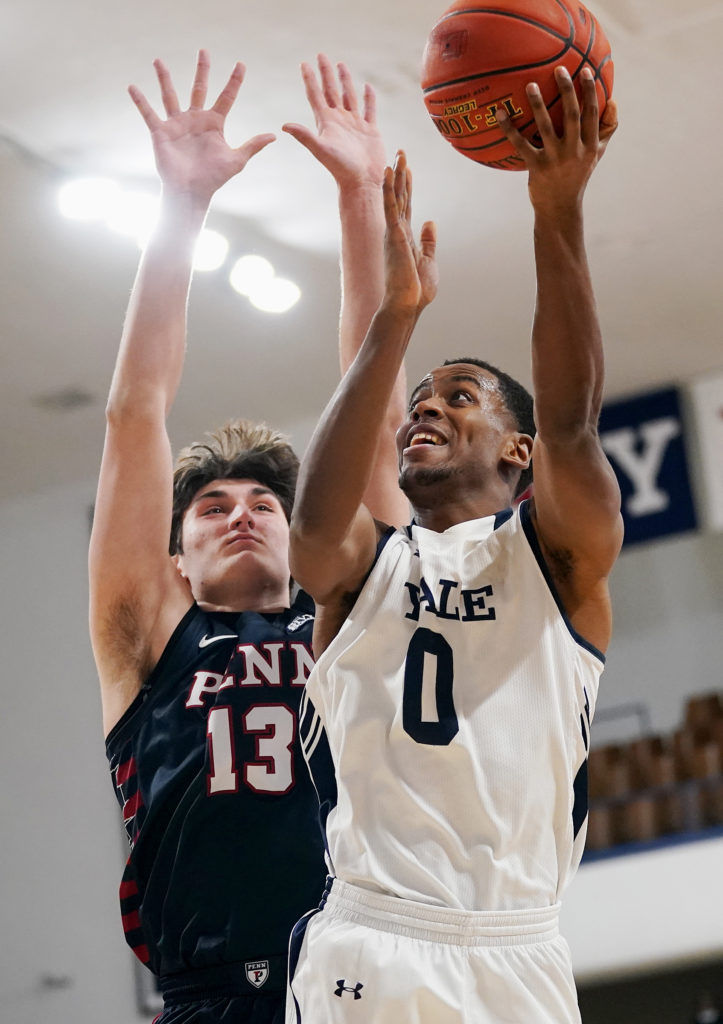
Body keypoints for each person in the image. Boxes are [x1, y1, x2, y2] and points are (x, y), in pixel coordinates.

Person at [286, 66, 623, 1023]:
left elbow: (570, 425)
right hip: (375, 935)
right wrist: (393, 320)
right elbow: (315, 528)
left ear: (514, 451)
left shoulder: (555, 559)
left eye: (459, 394)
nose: (426, 404)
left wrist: (555, 211)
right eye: (420, 398)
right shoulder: (364, 567)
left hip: (518, 944)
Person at [89, 51, 407, 1024]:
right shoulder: (148, 638)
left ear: (302, 530)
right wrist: (181, 209)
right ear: (175, 559)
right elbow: (137, 412)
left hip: (364, 983)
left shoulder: (350, 614)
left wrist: (359, 197)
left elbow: (380, 424)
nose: (241, 510)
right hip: (209, 995)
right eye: (212, 505)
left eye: (265, 502)